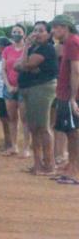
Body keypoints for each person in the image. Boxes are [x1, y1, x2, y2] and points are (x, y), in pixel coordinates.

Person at [15, 21, 58, 175]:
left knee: (43, 128)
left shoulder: (47, 48)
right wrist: (25, 61)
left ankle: (49, 165)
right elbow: (16, 65)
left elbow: (25, 65)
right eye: (35, 30)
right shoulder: (36, 48)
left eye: (41, 30)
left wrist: (25, 49)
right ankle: (37, 164)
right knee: (34, 128)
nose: (37, 33)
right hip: (30, 89)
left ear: (48, 34)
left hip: (41, 89)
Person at [50, 15, 79, 185]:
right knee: (68, 131)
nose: (53, 31)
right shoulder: (69, 42)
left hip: (69, 94)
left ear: (64, 27)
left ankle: (75, 169)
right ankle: (71, 165)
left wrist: (73, 97)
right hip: (64, 93)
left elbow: (76, 70)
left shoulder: (71, 42)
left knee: (73, 132)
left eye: (56, 27)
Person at [1, 24, 31, 157]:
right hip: (9, 88)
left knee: (25, 119)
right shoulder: (7, 50)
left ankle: (26, 148)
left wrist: (18, 86)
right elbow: (3, 69)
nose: (16, 34)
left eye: (18, 31)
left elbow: (28, 69)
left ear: (24, 34)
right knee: (12, 118)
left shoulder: (28, 49)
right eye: (14, 32)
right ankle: (14, 146)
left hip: (24, 87)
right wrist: (8, 85)